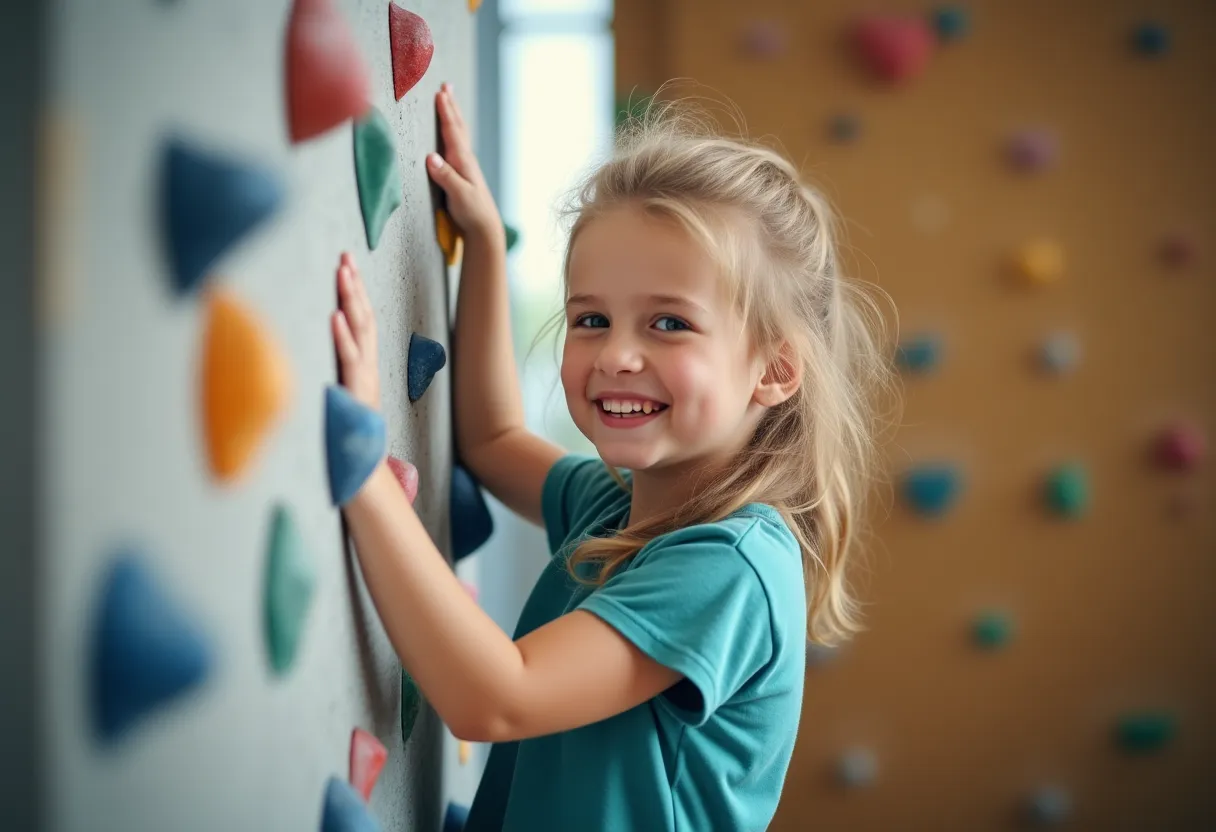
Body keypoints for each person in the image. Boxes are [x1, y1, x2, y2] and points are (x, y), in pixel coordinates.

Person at [330, 82, 894, 831]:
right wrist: (485, 249)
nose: (616, 355)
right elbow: (493, 442)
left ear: (776, 369)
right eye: (591, 319)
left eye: (669, 323)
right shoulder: (620, 505)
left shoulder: (730, 566)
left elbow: (495, 698)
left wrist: (367, 475)